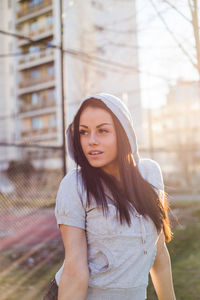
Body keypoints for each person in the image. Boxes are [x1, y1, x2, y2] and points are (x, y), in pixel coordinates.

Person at [43, 93, 176, 300]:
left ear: (124, 134)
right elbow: (75, 271)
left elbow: (158, 252)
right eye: (84, 132)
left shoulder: (150, 173)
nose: (91, 141)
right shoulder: (74, 185)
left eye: (103, 131)